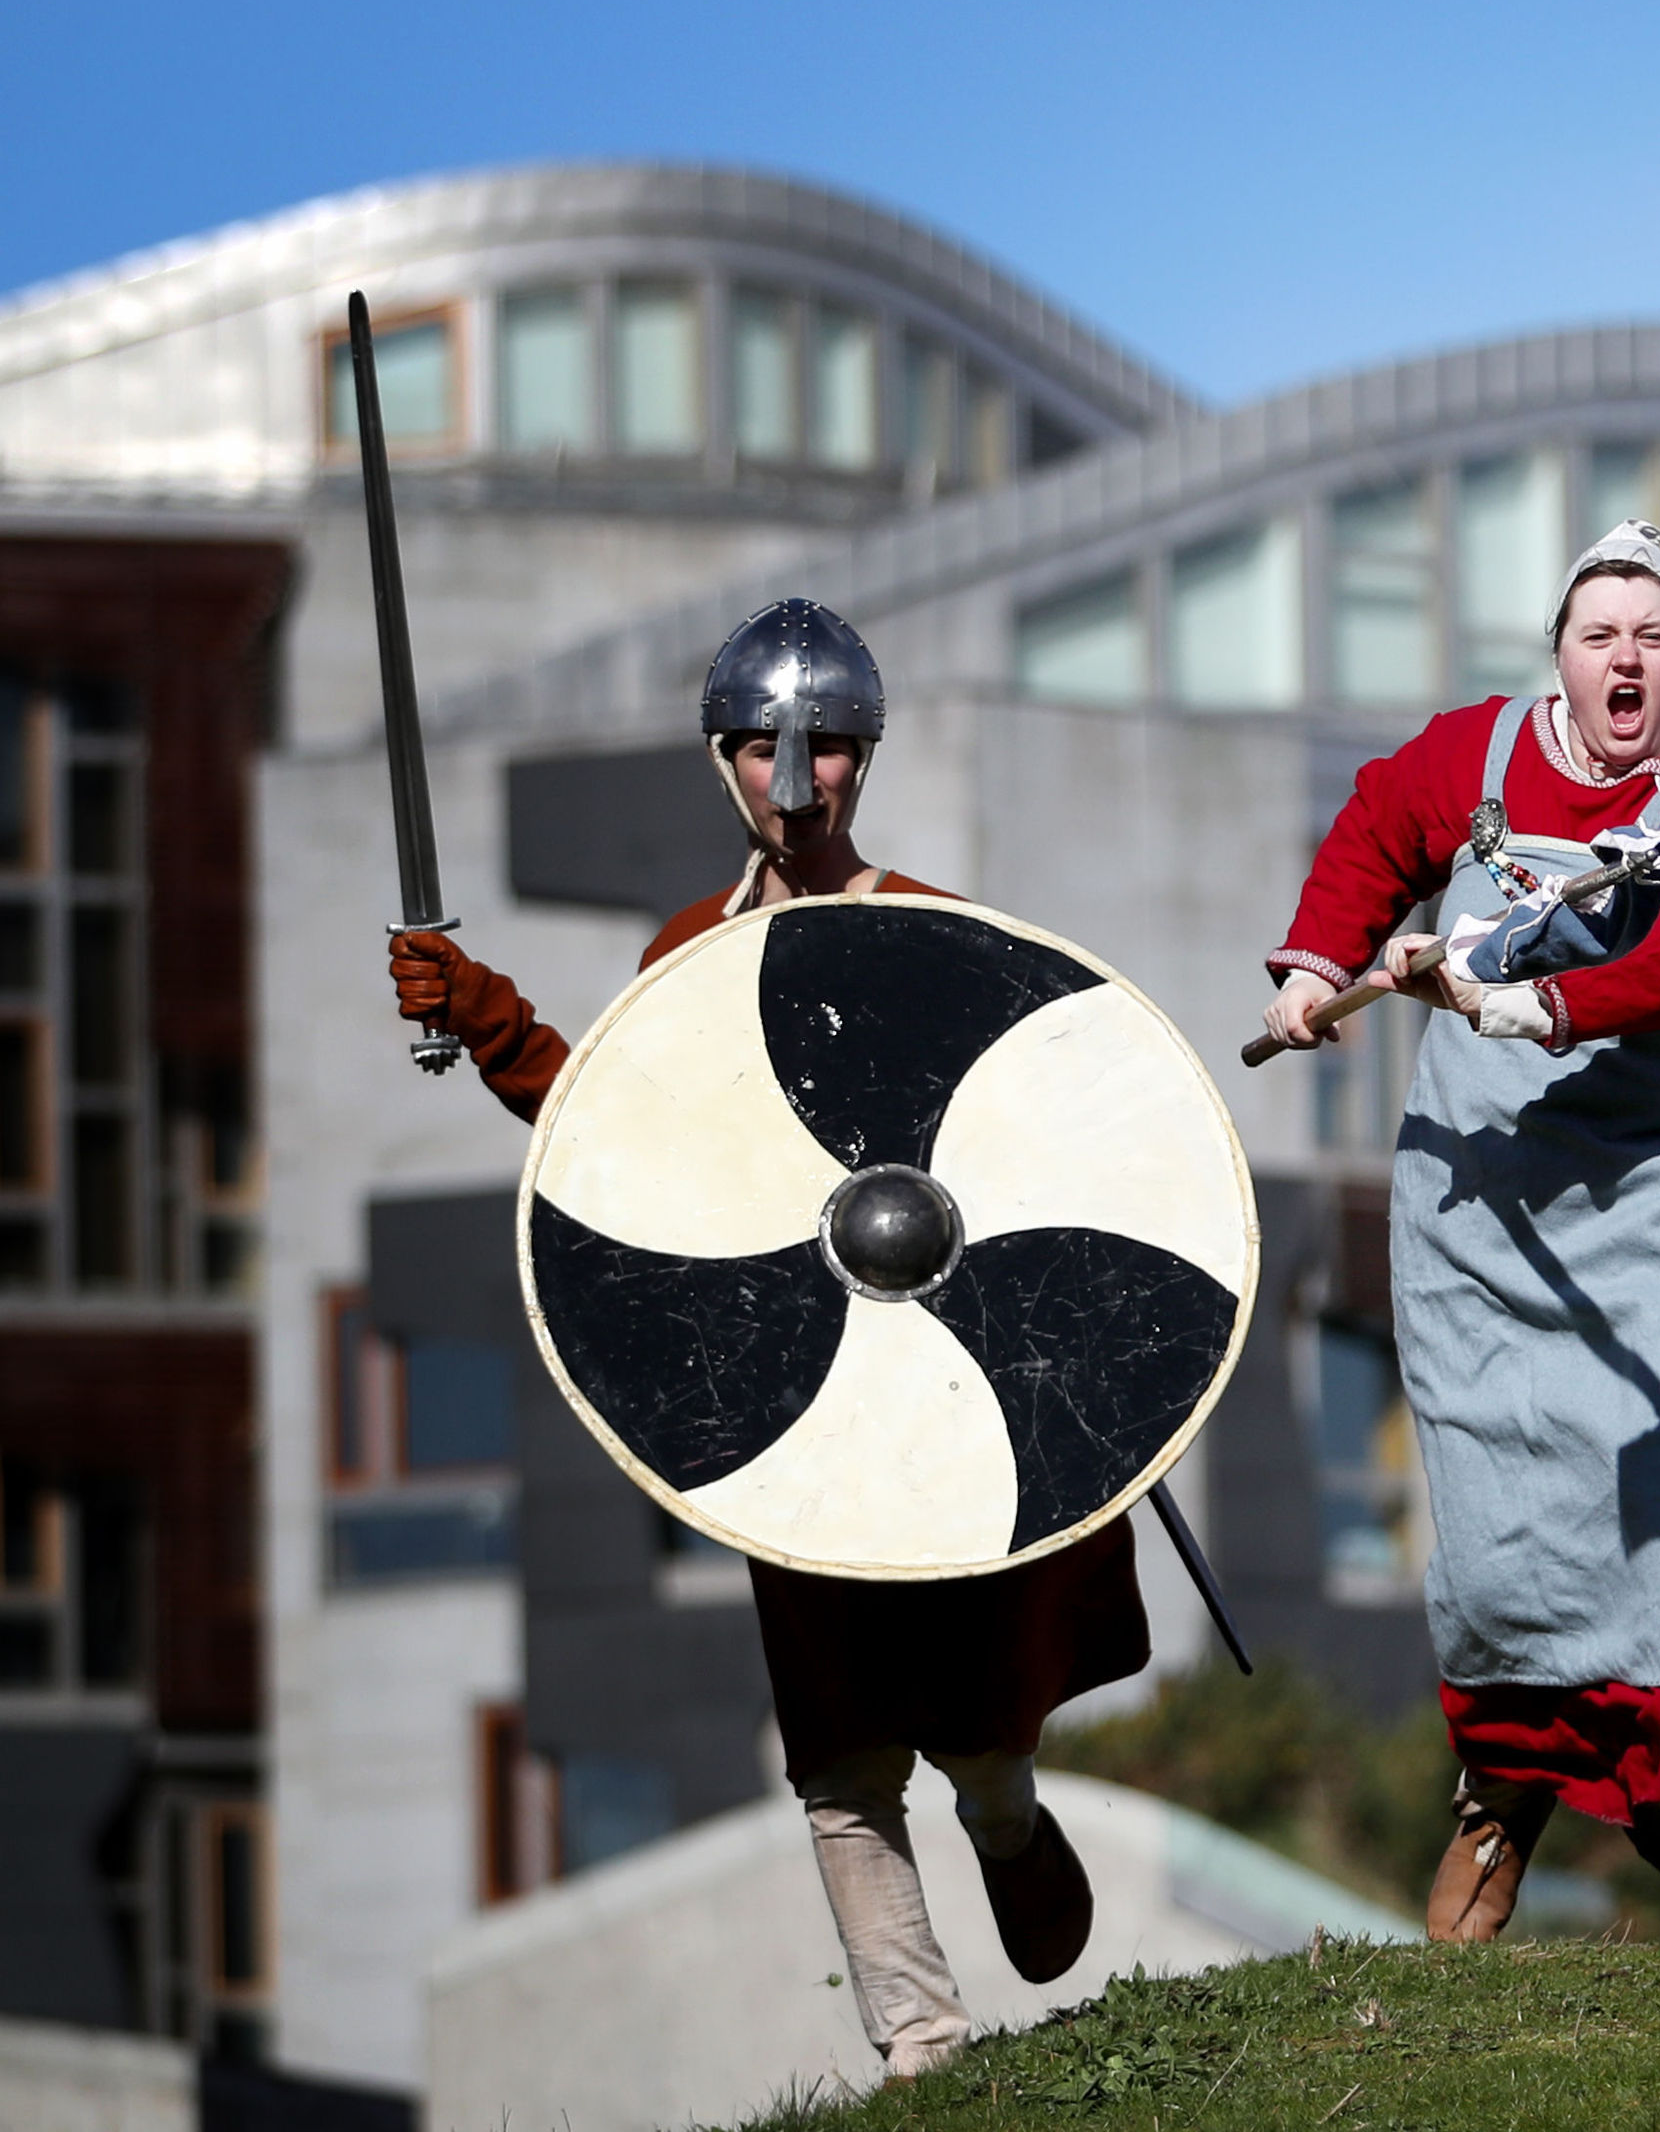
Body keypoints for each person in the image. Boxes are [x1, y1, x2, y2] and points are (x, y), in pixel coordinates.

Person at [386, 598, 1131, 2079]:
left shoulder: (931, 931)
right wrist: (487, 1019)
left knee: (976, 1719)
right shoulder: (691, 952)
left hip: (942, 1383)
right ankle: (925, 2053)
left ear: (867, 757)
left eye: (832, 750)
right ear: (721, 759)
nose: (799, 779)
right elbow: (622, 1142)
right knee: (843, 1754)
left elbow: (1047, 1140)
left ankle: (1003, 1809)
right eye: (764, 748)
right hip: (794, 1398)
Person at [1261, 521, 1660, 1941]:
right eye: (1601, 636)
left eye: (1652, 635)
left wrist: (1550, 1001)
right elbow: (1372, 835)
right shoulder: (1466, 759)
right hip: (1499, 1213)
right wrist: (1317, 958)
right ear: (1562, 660)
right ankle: (1498, 1808)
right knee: (1508, 1527)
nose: (1627, 658)